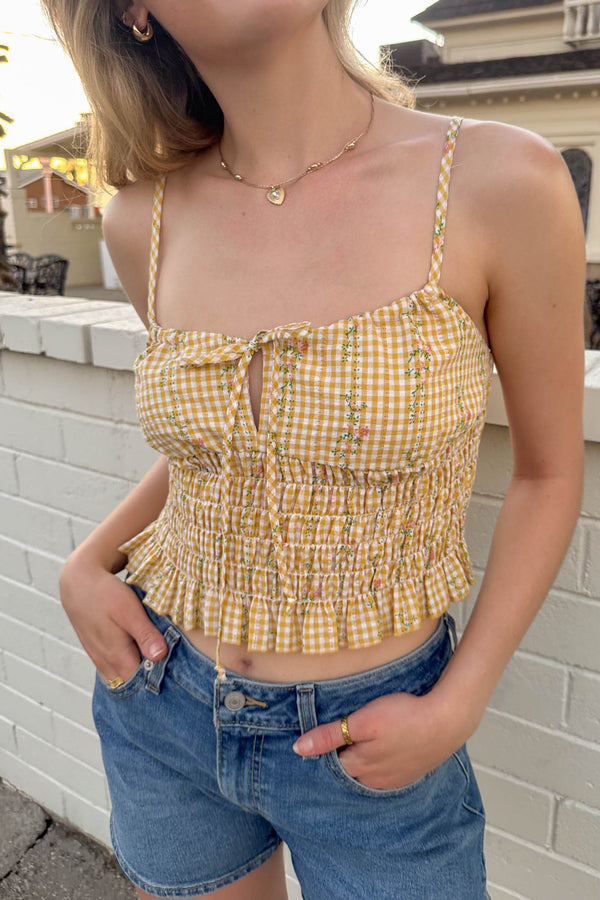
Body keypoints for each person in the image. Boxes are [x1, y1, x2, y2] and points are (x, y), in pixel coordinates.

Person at [44, 1, 585, 898]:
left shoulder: (498, 180)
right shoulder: (144, 218)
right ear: (132, 10)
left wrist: (458, 702)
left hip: (379, 735)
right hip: (161, 701)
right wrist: (86, 563)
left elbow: (547, 470)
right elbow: (222, 449)